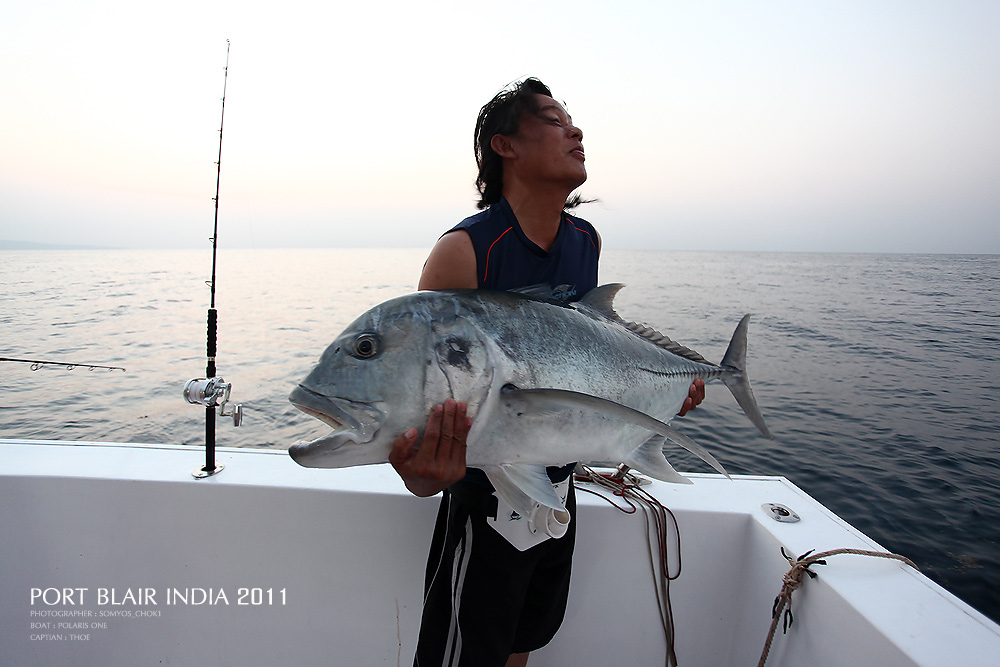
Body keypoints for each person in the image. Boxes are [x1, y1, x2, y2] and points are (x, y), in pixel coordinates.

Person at [389, 78, 705, 667]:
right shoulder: (464, 252)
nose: (576, 131)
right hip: (486, 494)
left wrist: (660, 386)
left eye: (573, 121)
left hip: (560, 483)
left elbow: (595, 344)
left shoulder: (585, 239)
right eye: (556, 120)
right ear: (505, 145)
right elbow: (424, 391)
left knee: (525, 640)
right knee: (468, 652)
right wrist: (421, 471)